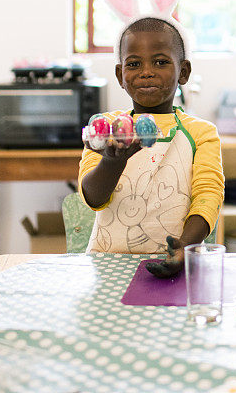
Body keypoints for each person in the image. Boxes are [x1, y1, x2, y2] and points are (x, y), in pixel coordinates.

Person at [78, 16, 224, 279]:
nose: (146, 71)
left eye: (160, 62)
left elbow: (208, 195)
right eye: (133, 64)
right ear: (120, 75)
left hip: (178, 262)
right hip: (108, 265)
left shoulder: (201, 133)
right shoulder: (106, 128)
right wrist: (111, 163)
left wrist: (184, 247)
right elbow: (93, 199)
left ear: (184, 72)